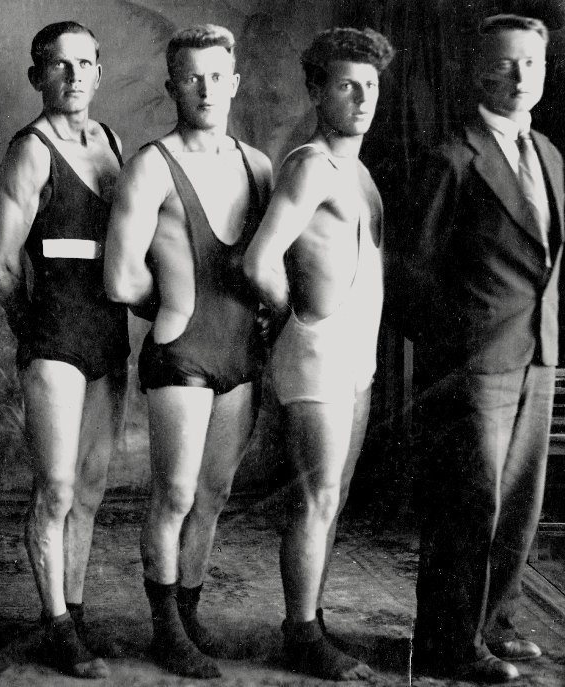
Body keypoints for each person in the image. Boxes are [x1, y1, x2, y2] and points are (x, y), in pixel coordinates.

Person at [392, 14, 562, 683]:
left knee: (519, 500)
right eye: (505, 63)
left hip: (537, 353)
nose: (521, 77)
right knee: (466, 504)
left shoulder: (548, 154)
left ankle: (493, 621)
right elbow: (409, 273)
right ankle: (447, 643)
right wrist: (456, 348)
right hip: (473, 364)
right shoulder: (453, 158)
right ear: (477, 72)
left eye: (532, 63)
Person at [104, 24, 272, 679]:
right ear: (172, 86)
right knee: (174, 494)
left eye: (216, 76)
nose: (205, 89)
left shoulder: (258, 165)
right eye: (191, 77)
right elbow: (121, 279)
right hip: (181, 352)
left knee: (214, 492)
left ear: (235, 83)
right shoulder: (151, 165)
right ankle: (166, 629)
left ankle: (190, 612)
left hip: (240, 352)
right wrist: (176, 306)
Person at [243, 26, 393, 681]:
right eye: (346, 85)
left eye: (371, 86)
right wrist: (295, 317)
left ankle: (311, 618)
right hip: (318, 350)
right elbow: (259, 260)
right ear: (315, 90)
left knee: (334, 496)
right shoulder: (310, 165)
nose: (362, 98)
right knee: (316, 498)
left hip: (355, 356)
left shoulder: (359, 171)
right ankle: (301, 634)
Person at [0, 21, 128, 679]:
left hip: (107, 334)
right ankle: (55, 623)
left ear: (99, 71)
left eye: (84, 64)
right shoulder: (31, 151)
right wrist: (34, 331)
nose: (73, 77)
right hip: (55, 337)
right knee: (57, 487)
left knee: (91, 488)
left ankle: (74, 608)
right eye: (59, 65)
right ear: (37, 76)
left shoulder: (112, 142)